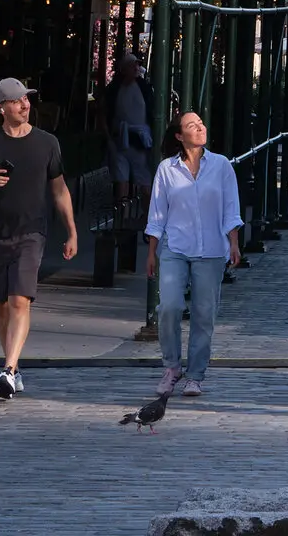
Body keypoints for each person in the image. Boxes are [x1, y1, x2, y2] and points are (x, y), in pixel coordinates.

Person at [145, 110, 243, 398]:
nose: (200, 128)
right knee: (170, 307)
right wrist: (151, 253)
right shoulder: (167, 169)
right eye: (192, 125)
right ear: (179, 135)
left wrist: (234, 242)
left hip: (211, 249)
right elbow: (157, 214)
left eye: (201, 123)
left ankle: (195, 375)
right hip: (175, 247)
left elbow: (230, 208)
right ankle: (172, 367)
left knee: (204, 313)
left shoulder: (222, 166)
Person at [0, 76, 77, 399]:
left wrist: (71, 231)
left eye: (26, 99)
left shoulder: (47, 143)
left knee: (19, 299)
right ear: (1, 107)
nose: (24, 104)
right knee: (1, 306)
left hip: (32, 232)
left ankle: (10, 369)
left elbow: (59, 189)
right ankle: (10, 368)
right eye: (16, 101)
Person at [100, 51, 155, 210]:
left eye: (137, 65)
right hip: (119, 141)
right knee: (121, 179)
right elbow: (103, 112)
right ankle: (122, 216)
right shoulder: (114, 88)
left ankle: (148, 218)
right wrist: (109, 138)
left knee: (144, 181)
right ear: (124, 69)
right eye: (133, 65)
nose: (136, 68)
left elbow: (153, 111)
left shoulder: (144, 87)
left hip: (139, 142)